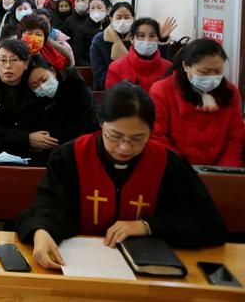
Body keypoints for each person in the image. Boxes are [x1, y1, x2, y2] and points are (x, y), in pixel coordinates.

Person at [17, 82, 227, 271]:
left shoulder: (168, 164)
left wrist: (146, 226)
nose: (125, 148)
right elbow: (48, 207)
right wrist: (42, 231)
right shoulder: (69, 156)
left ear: (151, 130)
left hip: (149, 272)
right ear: (101, 124)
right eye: (115, 136)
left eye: (138, 138)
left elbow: (208, 223)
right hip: (79, 267)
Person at [150, 39, 244, 167]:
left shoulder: (230, 92)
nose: (211, 77)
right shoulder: (162, 90)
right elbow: (157, 136)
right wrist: (183, 171)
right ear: (186, 66)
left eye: (217, 71)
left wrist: (225, 171)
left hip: (219, 171)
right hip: (176, 170)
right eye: (204, 72)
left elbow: (235, 138)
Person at [0, 39, 52, 164]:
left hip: (31, 153)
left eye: (14, 60)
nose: (7, 66)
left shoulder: (35, 85)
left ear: (26, 64)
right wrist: (26, 139)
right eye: (3, 60)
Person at [26, 55, 96, 164]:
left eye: (44, 79)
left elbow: (82, 124)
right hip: (49, 152)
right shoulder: (35, 100)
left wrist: (49, 138)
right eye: (35, 85)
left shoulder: (77, 87)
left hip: (81, 148)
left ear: (53, 71)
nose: (42, 86)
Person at [105, 18, 171, 92]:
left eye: (152, 36)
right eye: (141, 36)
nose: (147, 40)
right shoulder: (117, 67)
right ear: (132, 39)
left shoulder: (168, 68)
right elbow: (112, 99)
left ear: (158, 39)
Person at [72, 0, 110, 66]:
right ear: (88, 11)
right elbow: (78, 57)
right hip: (89, 67)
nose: (95, 10)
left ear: (107, 10)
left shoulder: (112, 28)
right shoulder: (81, 30)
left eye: (99, 7)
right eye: (92, 8)